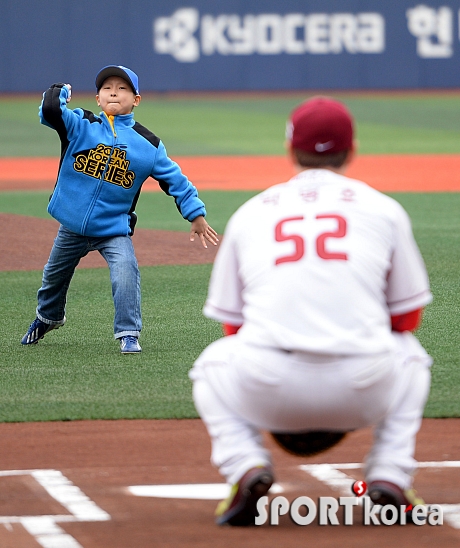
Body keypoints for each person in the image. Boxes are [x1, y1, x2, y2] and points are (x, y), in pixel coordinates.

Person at [189, 96, 432, 525]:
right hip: (363, 387)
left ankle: (245, 464)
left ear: (290, 150)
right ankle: (391, 474)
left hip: (269, 386)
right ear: (352, 150)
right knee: (412, 355)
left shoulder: (250, 213)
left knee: (211, 365)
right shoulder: (384, 209)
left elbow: (233, 325)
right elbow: (406, 319)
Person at [21, 65, 218, 353]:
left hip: (113, 230)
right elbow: (50, 111)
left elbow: (175, 180)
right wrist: (59, 91)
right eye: (107, 88)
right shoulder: (81, 126)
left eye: (123, 88)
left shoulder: (148, 145)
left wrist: (196, 214)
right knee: (53, 277)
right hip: (72, 227)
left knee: (126, 273)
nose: (114, 91)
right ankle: (48, 318)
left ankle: (128, 333)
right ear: (98, 99)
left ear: (136, 100)